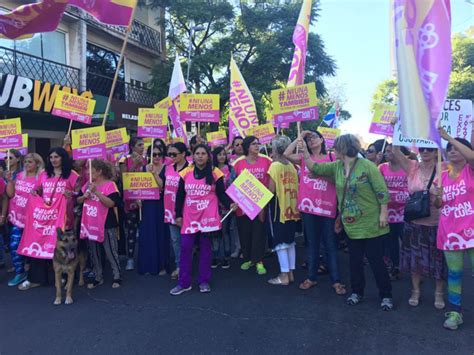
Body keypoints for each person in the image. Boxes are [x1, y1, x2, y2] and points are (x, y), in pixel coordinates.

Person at [300, 134, 393, 310]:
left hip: (372, 222)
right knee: (355, 261)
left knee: (376, 261)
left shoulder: (367, 166)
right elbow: (315, 168)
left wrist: (383, 214)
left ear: (343, 148)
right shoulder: (337, 166)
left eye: (335, 147)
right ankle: (357, 292)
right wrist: (304, 150)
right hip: (351, 224)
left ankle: (386, 295)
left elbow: (382, 191)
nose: (333, 149)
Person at [284, 130, 345, 294]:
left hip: (327, 207)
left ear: (322, 139)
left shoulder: (332, 158)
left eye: (314, 138)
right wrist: (300, 137)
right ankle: (311, 277)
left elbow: (338, 180)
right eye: (309, 139)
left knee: (330, 244)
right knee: (312, 244)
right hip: (308, 207)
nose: (311, 141)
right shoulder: (304, 158)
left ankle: (336, 280)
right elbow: (286, 153)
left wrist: (320, 175)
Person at [170, 144, 235, 295]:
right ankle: (184, 282)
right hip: (189, 217)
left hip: (207, 217)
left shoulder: (215, 173)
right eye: (197, 153)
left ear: (208, 156)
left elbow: (221, 193)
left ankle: (204, 281)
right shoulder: (185, 172)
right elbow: (180, 196)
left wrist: (230, 204)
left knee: (206, 249)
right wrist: (178, 215)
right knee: (186, 248)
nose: (200, 156)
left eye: (203, 153)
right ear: (192, 155)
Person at [393, 144, 446, 309]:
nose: (425, 152)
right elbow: (396, 151)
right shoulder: (412, 166)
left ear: (436, 151)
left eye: (429, 149)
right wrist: (396, 129)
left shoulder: (443, 168)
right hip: (414, 222)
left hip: (437, 223)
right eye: (422, 149)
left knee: (439, 262)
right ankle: (415, 291)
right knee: (414, 260)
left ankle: (439, 293)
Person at [18, 147, 79, 291]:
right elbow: (40, 189)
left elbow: (79, 193)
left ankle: (63, 277)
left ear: (63, 158)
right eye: (51, 157)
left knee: (60, 248)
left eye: (57, 157)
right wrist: (35, 192)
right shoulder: (44, 174)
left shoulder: (72, 175)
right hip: (45, 217)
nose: (54, 160)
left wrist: (72, 194)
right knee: (41, 245)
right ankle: (36, 278)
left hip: (64, 217)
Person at [435, 128, 474, 330]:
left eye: (456, 148)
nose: (452, 150)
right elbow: (437, 205)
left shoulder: (471, 170)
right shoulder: (442, 176)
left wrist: (449, 137)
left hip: (473, 231)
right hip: (449, 232)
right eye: (449, 148)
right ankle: (455, 313)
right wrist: (436, 196)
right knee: (455, 274)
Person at [78, 159, 122, 289]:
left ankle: (117, 275)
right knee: (94, 252)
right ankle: (98, 276)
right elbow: (79, 200)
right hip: (91, 223)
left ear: (99, 171)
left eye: (89, 169)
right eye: (86, 169)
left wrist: (96, 192)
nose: (87, 171)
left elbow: (111, 203)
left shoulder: (110, 185)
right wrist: (85, 195)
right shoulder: (87, 184)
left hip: (107, 222)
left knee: (110, 250)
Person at [233, 136, 272, 275]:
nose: (257, 146)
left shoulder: (267, 160)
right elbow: (232, 182)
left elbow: (271, 181)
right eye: (254, 144)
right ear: (247, 146)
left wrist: (264, 204)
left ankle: (259, 260)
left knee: (259, 232)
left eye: (258, 143)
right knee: (245, 232)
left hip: (261, 204)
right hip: (243, 205)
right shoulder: (238, 163)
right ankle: (248, 258)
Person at [5, 153, 44, 286]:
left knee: (31, 248)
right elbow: (10, 194)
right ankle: (19, 272)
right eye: (26, 161)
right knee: (14, 245)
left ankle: (35, 275)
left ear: (37, 164)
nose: (27, 164)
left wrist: (38, 192)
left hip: (33, 219)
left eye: (30, 162)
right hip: (17, 218)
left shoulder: (41, 177)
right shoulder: (20, 175)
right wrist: (10, 181)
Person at [266, 135, 300, 285]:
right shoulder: (291, 166)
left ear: (275, 149)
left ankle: (284, 275)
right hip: (291, 208)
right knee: (290, 241)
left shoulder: (274, 166)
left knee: (280, 242)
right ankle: (290, 273)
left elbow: (271, 190)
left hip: (278, 208)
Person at [378, 144, 410, 280]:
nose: (387, 153)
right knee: (391, 242)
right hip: (388, 212)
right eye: (386, 151)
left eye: (390, 151)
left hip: (406, 212)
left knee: (407, 242)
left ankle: (413, 269)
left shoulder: (408, 167)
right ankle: (395, 267)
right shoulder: (382, 167)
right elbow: (377, 186)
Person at [138, 145, 169, 275]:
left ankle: (162, 265)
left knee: (160, 233)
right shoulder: (143, 168)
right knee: (148, 233)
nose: (156, 157)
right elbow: (138, 185)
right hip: (148, 204)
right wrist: (138, 198)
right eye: (154, 154)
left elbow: (162, 186)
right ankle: (148, 265)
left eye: (159, 154)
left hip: (160, 204)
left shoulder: (166, 168)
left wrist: (154, 174)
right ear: (149, 155)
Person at [119, 137, 146, 271]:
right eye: (139, 145)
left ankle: (144, 257)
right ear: (132, 147)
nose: (142, 147)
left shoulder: (148, 159)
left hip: (145, 199)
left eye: (143, 145)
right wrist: (135, 165)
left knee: (145, 230)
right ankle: (130, 258)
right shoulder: (124, 160)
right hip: (130, 199)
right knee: (131, 230)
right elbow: (125, 180)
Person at [163, 142, 189, 280]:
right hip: (169, 210)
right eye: (169, 154)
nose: (171, 156)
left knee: (187, 241)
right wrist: (153, 174)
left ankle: (187, 266)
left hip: (187, 211)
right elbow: (162, 186)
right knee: (175, 240)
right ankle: (180, 266)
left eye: (174, 154)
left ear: (183, 154)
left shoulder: (190, 169)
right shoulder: (167, 168)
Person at [211, 146, 237, 269]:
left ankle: (226, 257)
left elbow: (235, 185)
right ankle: (215, 257)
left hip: (227, 206)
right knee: (215, 232)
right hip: (213, 205)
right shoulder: (211, 170)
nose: (222, 156)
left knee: (225, 231)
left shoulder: (231, 169)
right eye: (219, 154)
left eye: (224, 154)